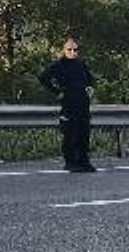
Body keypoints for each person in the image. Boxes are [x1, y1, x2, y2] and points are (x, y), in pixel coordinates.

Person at [39, 38, 97, 172]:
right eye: (69, 49)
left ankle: (84, 162)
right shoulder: (58, 65)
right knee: (70, 134)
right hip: (68, 104)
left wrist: (91, 88)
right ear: (64, 50)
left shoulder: (81, 64)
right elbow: (42, 77)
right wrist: (57, 92)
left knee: (84, 133)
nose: (72, 52)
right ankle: (70, 162)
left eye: (75, 50)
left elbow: (91, 79)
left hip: (83, 104)